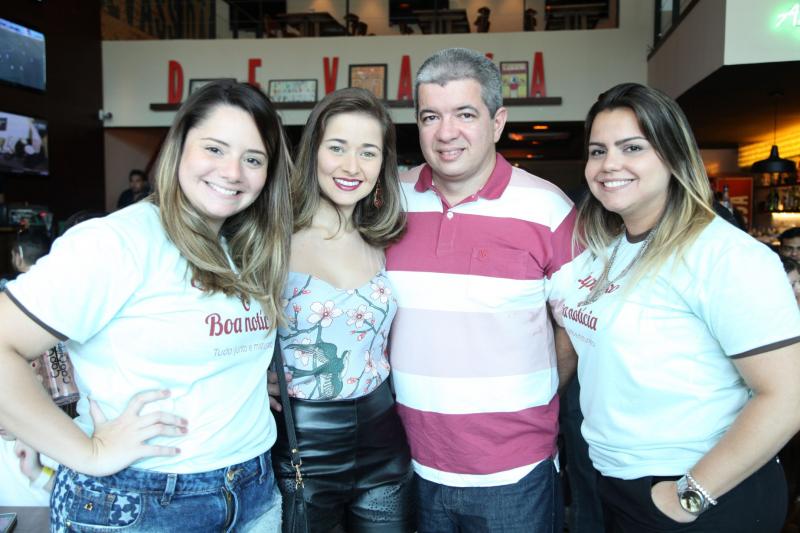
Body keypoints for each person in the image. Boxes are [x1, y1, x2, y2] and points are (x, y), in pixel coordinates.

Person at [0, 80, 293, 532]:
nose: (233, 171)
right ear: (179, 148)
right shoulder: (118, 242)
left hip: (253, 493)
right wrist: (87, 452)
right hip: (139, 502)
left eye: (253, 159)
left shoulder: (246, 247)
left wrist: (246, 377)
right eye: (214, 149)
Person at [554, 82, 800, 532]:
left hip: (702, 492)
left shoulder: (727, 256)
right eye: (597, 151)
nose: (609, 164)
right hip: (618, 481)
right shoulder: (606, 249)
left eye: (632, 147)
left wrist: (686, 497)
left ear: (673, 155)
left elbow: (788, 397)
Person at [384, 47, 577, 531]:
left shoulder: (549, 209)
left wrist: (522, 401)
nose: (446, 133)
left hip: (516, 474)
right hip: (407, 464)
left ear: (497, 122)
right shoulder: (388, 203)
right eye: (430, 116)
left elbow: (577, 328)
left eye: (465, 114)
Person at [272, 87, 412, 532]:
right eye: (337, 148)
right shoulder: (272, 239)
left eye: (368, 152)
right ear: (313, 151)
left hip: (384, 440)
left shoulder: (384, 238)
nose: (352, 167)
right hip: (303, 446)